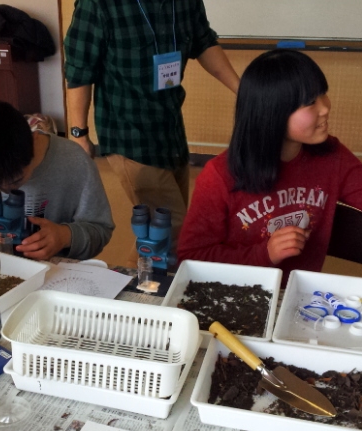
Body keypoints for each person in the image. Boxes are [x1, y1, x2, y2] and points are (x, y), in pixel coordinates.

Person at [177, 49, 362, 281]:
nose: (325, 107)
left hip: (300, 299)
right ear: (272, 113)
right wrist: (265, 254)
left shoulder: (331, 157)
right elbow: (191, 257)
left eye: (323, 94)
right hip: (236, 294)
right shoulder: (219, 176)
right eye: (310, 102)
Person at [64, 0, 239, 255]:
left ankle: (142, 277)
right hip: (129, 134)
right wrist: (78, 133)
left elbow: (204, 42)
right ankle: (148, 277)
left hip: (171, 130)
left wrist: (242, 90)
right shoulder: (99, 4)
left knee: (159, 231)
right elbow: (79, 70)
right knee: (175, 233)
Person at [0, 101, 115, 261]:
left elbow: (101, 230)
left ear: (34, 139)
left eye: (16, 182)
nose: (5, 191)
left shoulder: (74, 161)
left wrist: (65, 236)